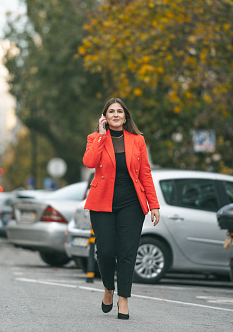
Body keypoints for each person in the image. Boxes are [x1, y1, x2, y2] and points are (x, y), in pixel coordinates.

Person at [83, 97, 160, 320]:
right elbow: (89, 162)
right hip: (102, 202)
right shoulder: (94, 138)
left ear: (125, 116)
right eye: (111, 112)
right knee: (105, 251)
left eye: (119, 111)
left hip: (132, 203)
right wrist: (100, 134)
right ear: (104, 117)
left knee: (127, 252)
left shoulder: (137, 141)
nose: (115, 115)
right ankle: (108, 288)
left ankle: (123, 299)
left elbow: (145, 173)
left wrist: (153, 204)